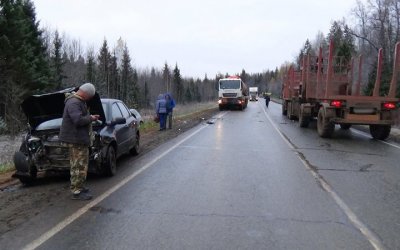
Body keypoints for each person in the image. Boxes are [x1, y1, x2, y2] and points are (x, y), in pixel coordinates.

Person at [59, 83, 100, 200]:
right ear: (86, 94)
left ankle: (80, 187)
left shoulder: (79, 101)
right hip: (75, 140)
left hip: (79, 139)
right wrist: (90, 118)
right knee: (78, 165)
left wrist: (89, 117)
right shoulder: (74, 102)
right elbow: (77, 120)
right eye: (90, 96)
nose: (90, 99)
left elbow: (79, 117)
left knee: (80, 165)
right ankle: (76, 191)